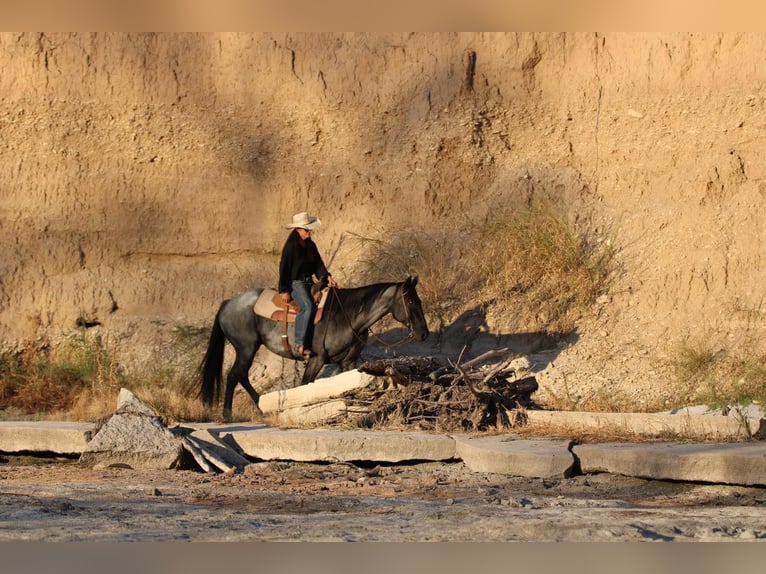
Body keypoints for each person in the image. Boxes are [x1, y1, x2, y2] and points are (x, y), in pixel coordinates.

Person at [278, 211, 338, 359]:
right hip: (296, 283)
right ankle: (300, 343)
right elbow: (284, 268)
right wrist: (284, 290)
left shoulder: (310, 245)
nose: (309, 232)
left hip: (309, 281)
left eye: (309, 229)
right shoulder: (291, 247)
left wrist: (327, 276)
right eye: (306, 230)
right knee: (308, 306)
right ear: (298, 230)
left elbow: (318, 264)